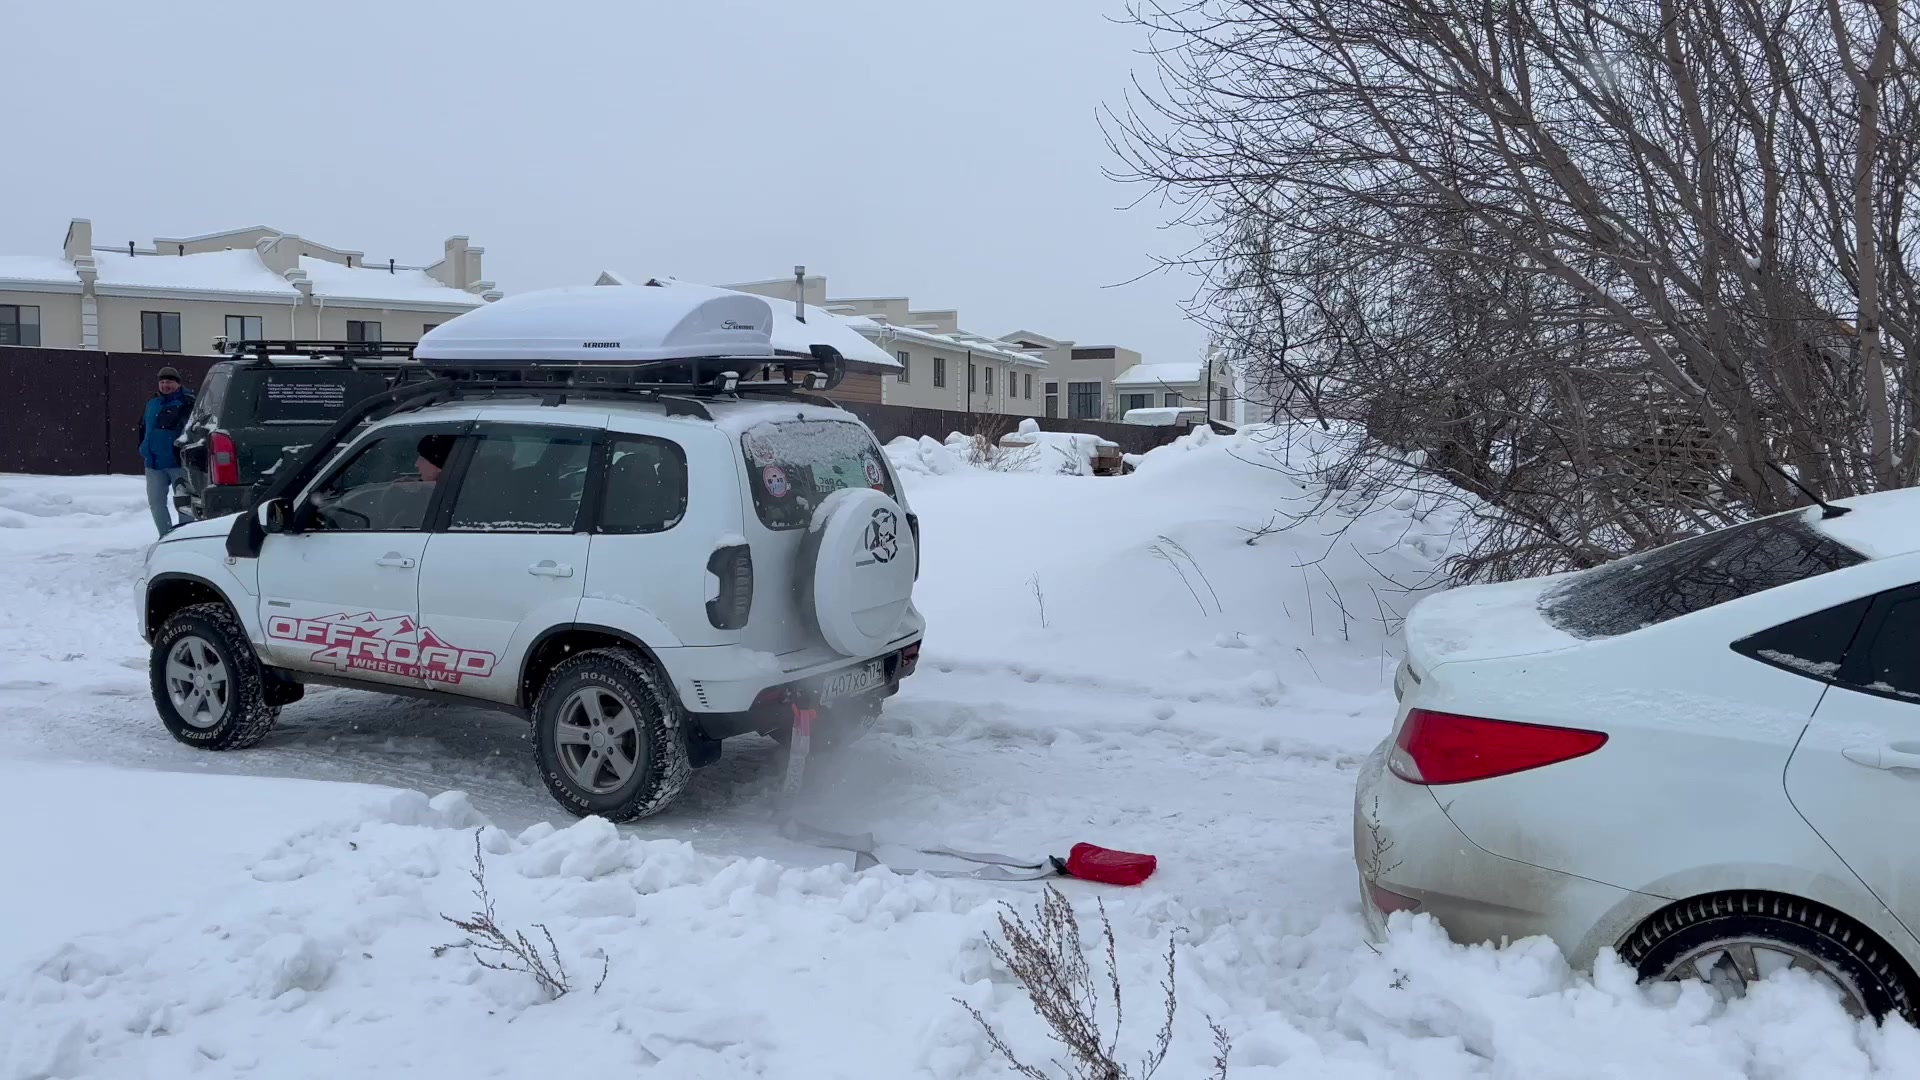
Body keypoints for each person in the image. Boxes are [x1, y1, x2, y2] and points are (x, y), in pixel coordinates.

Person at [140, 366, 196, 536]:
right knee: (156, 504)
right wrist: (143, 447)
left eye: (169, 382)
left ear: (178, 384)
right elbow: (144, 427)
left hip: (178, 464)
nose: (165, 385)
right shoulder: (153, 403)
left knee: (184, 503)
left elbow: (192, 432)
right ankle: (165, 537)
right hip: (153, 463)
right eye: (162, 382)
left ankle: (185, 537)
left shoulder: (187, 403)